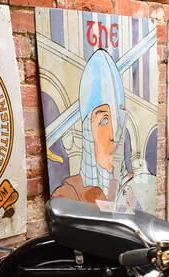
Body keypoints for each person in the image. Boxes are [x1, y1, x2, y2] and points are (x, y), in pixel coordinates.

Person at [52, 49, 128, 206]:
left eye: (117, 120)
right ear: (88, 128)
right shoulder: (68, 195)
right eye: (104, 121)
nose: (113, 134)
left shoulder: (128, 190)